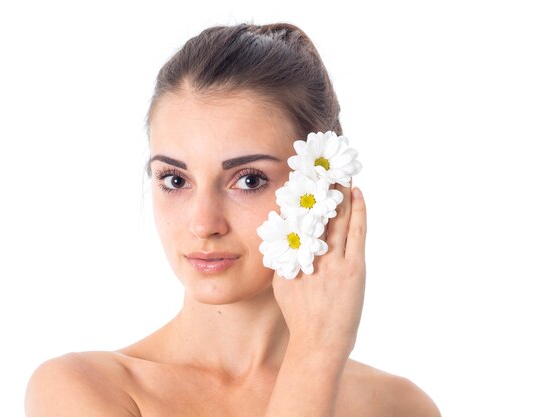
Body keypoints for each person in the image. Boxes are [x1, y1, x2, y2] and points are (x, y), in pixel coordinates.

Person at [25, 22, 441, 416]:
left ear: (324, 189)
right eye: (175, 179)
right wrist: (314, 355)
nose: (204, 223)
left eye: (249, 179)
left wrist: (320, 353)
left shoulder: (399, 407)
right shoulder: (83, 390)